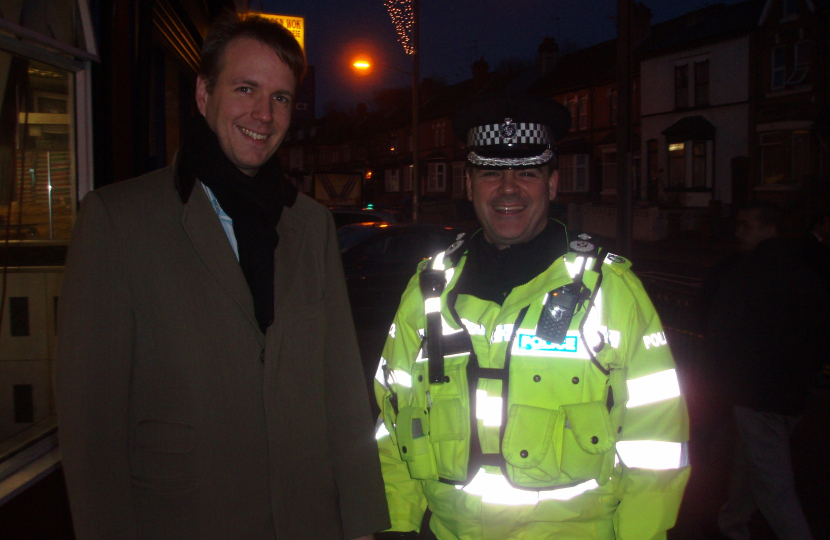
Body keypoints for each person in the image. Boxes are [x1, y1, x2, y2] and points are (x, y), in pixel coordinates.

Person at [54, 14, 389, 540]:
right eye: (246, 89)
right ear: (204, 94)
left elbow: (342, 391)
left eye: (281, 97)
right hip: (184, 518)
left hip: (308, 520)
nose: (264, 113)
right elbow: (91, 424)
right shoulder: (117, 220)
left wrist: (365, 523)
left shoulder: (311, 223)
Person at [372, 93, 690, 540]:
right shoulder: (429, 288)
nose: (507, 189)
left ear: (553, 184)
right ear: (468, 185)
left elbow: (656, 441)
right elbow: (393, 419)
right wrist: (398, 525)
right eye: (489, 174)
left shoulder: (610, 291)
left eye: (527, 173)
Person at [704, 202, 824, 540]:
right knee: (750, 460)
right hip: (793, 394)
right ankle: (732, 522)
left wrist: (715, 386)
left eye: (747, 225)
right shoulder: (807, 269)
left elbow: (720, 332)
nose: (738, 232)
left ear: (769, 230)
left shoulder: (745, 273)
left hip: (756, 394)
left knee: (775, 487)